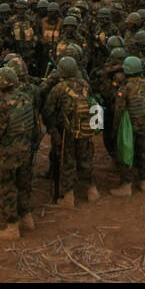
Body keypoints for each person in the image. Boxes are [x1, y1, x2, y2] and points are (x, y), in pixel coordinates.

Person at [0, 66, 36, 240]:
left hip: (7, 152)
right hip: (25, 148)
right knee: (24, 184)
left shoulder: (2, 103)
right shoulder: (27, 97)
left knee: (7, 188)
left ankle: (12, 227)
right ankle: (27, 218)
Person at [43, 56, 99, 207]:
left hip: (66, 132)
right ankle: (92, 190)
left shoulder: (58, 89)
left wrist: (53, 130)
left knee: (67, 162)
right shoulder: (84, 85)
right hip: (85, 129)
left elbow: (48, 111)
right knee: (86, 158)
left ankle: (68, 197)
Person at [111, 56, 145, 195]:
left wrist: (115, 128)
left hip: (130, 124)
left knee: (126, 152)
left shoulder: (125, 88)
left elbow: (119, 109)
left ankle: (126, 185)